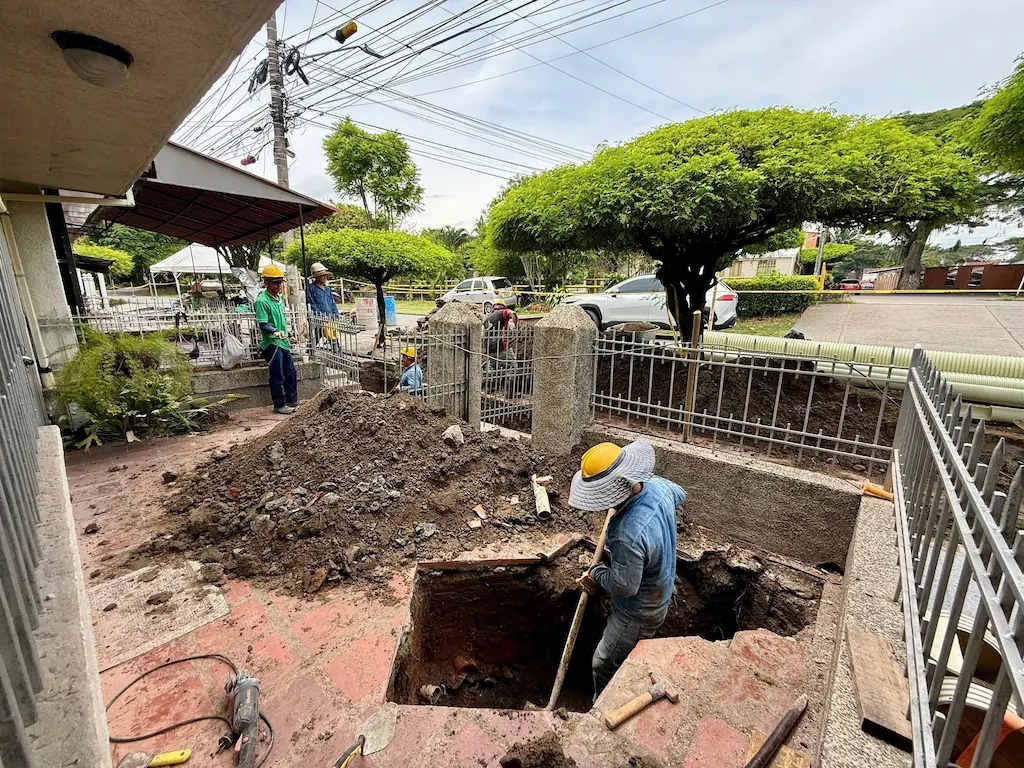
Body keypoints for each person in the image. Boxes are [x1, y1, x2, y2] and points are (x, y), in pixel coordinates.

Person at [569, 440, 686, 697]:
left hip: (637, 614)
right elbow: (680, 493)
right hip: (659, 590)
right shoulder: (659, 487)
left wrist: (598, 572)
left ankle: (602, 704)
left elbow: (625, 586)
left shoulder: (626, 534)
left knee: (603, 662)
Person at [254, 265, 298, 414]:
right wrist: (275, 332)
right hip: (272, 343)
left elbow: (282, 322)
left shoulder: (278, 298)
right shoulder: (262, 301)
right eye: (275, 282)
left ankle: (292, 401)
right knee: (277, 374)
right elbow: (263, 324)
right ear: (266, 282)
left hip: (283, 342)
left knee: (291, 372)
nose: (278, 286)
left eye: (280, 282)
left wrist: (289, 334)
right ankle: (279, 404)